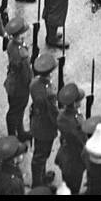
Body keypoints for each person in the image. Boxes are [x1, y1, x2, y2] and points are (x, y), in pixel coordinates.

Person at [29, 53, 59, 189]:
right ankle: (38, 184)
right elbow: (54, 113)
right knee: (41, 155)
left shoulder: (34, 82)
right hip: (45, 127)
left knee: (39, 152)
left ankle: (41, 176)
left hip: (36, 121)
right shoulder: (50, 93)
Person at [55, 82, 87, 193]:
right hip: (74, 161)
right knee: (74, 187)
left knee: (66, 182)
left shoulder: (61, 116)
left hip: (65, 154)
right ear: (74, 104)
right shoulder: (77, 123)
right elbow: (83, 142)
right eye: (79, 101)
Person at [3, 15, 32, 140]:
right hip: (20, 86)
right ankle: (12, 136)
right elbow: (26, 74)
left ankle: (19, 131)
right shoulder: (22, 54)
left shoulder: (11, 44)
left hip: (12, 81)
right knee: (16, 110)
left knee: (17, 109)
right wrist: (30, 85)